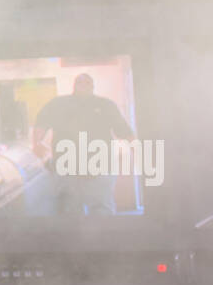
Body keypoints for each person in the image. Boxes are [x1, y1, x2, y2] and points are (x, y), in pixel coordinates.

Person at [32, 74, 136, 215]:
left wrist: (137, 149)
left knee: (102, 212)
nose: (84, 85)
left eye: (88, 83)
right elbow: (41, 123)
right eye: (80, 82)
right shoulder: (58, 104)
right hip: (67, 170)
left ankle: (104, 237)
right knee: (70, 214)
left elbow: (123, 130)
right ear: (74, 85)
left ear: (93, 87)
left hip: (100, 169)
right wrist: (37, 143)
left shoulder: (106, 105)